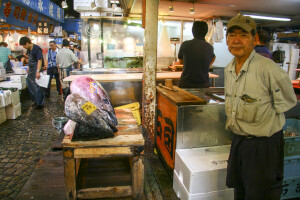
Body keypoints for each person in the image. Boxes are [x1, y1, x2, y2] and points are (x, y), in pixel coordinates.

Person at [224, 14, 297, 200]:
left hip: (264, 146)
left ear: (254, 39)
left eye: (243, 35)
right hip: (239, 141)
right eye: (232, 35)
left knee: (260, 196)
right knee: (239, 192)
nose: (236, 40)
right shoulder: (229, 68)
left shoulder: (269, 69)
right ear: (227, 39)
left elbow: (287, 102)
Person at [177, 21, 216, 88]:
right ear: (206, 32)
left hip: (186, 84)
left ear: (193, 31)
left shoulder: (185, 44)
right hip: (203, 85)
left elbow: (181, 62)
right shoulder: (209, 47)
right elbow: (213, 58)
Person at [19, 37, 45, 109]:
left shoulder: (37, 49)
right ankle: (35, 101)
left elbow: (39, 60)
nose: (24, 47)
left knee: (38, 87)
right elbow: (30, 59)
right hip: (31, 70)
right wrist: (28, 67)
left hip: (36, 70)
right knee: (30, 86)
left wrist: (38, 71)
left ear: (27, 43)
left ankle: (40, 104)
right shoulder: (28, 50)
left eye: (24, 45)